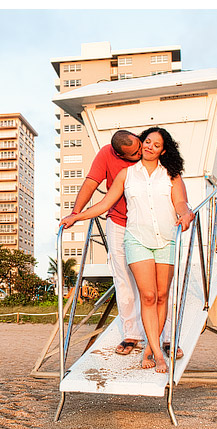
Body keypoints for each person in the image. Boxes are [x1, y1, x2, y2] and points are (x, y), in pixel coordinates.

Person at [61, 127, 194, 373]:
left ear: (163, 150)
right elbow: (103, 203)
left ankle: (150, 348)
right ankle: (156, 353)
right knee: (148, 296)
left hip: (166, 240)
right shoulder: (126, 174)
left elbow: (181, 202)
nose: (149, 146)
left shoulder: (171, 175)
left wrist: (185, 214)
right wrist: (76, 216)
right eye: (147, 142)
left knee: (162, 295)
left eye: (156, 144)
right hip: (136, 239)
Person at [69, 130, 145, 356]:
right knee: (122, 276)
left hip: (147, 223)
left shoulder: (148, 151)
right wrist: (75, 213)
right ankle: (131, 333)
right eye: (134, 153)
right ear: (121, 155)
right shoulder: (106, 155)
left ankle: (164, 333)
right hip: (119, 221)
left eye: (140, 146)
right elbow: (91, 183)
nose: (141, 153)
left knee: (151, 278)